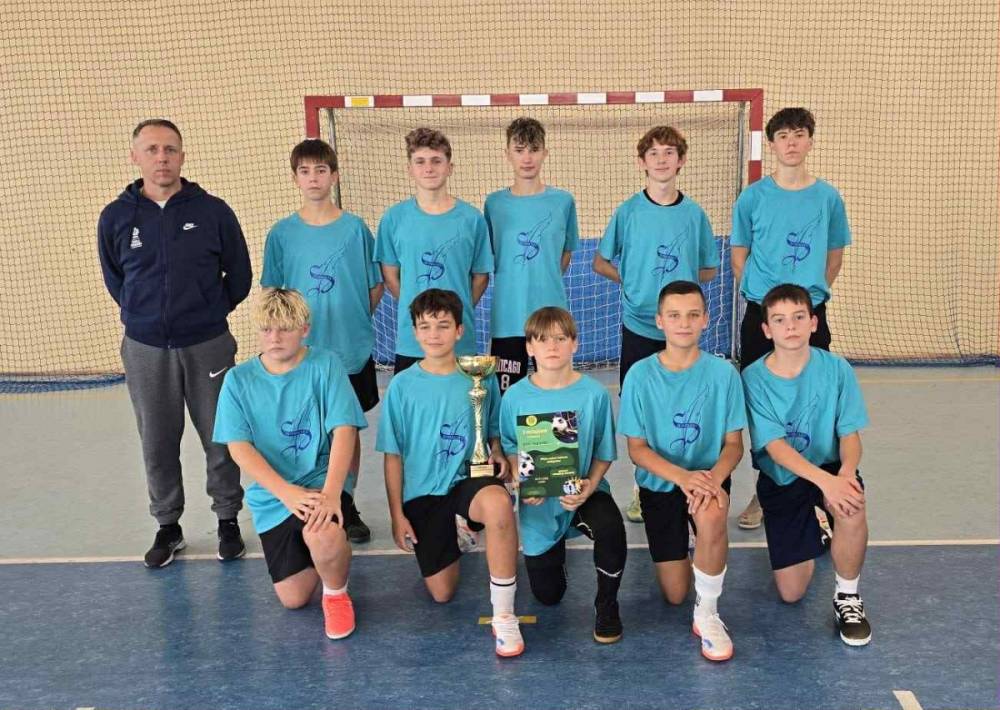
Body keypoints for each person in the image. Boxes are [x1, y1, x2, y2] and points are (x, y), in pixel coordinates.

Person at [97, 119, 251, 568]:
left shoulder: (213, 211)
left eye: (169, 149)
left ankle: (227, 519)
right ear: (135, 156)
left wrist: (206, 312)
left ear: (182, 155)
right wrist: (145, 317)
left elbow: (239, 275)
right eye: (151, 149)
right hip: (145, 348)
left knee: (220, 435)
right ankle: (168, 525)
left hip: (208, 343)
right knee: (157, 440)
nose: (161, 158)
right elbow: (116, 280)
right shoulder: (116, 217)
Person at [375, 288, 524, 657]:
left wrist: (497, 452)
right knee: (442, 593)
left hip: (469, 481)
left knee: (498, 504)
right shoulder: (402, 386)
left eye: (443, 325)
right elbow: (392, 456)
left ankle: (504, 614)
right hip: (424, 494)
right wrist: (396, 515)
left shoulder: (480, 375)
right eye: (425, 326)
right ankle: (460, 531)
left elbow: (493, 432)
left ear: (459, 330)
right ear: (414, 332)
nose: (434, 334)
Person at [213, 289, 366, 639]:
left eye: (284, 328)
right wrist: (286, 493)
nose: (275, 337)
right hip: (276, 496)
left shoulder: (325, 365)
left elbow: (345, 430)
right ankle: (328, 554)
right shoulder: (238, 380)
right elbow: (239, 448)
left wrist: (333, 493)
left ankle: (336, 594)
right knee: (293, 599)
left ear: (304, 330)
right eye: (267, 329)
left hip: (321, 481)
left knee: (323, 534)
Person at [731, 107, 852, 531]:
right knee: (761, 404)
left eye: (799, 134)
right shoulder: (752, 198)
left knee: (815, 401)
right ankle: (767, 489)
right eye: (783, 136)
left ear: (810, 141)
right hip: (762, 316)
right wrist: (770, 308)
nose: (791, 142)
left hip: (808, 313)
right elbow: (739, 256)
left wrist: (805, 303)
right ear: (772, 144)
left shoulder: (828, 198)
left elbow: (834, 256)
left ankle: (818, 491)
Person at [592, 125, 719, 524]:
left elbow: (709, 268)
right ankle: (641, 488)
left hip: (680, 334)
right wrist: (632, 283)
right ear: (641, 162)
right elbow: (600, 261)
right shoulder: (628, 212)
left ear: (681, 160)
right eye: (654, 153)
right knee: (642, 410)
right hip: (639, 326)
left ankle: (687, 479)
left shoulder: (694, 214)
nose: (661, 160)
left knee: (681, 408)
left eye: (669, 153)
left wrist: (682, 297)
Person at [261, 138, 384, 544]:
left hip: (349, 350)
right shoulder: (282, 234)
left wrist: (352, 318)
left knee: (346, 428)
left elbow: (375, 286)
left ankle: (345, 503)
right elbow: (273, 294)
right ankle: (305, 502)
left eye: (320, 170)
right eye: (305, 171)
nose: (313, 178)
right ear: (295, 178)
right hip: (301, 355)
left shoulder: (355, 229)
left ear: (334, 175)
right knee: (305, 429)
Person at [618, 281, 745, 661]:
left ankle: (707, 614)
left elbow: (734, 445)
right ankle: (695, 548)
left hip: (707, 479)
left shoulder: (724, 374)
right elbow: (637, 450)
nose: (684, 323)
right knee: (675, 594)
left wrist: (712, 480)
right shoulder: (640, 375)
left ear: (706, 319)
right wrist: (682, 478)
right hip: (662, 484)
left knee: (713, 512)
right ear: (660, 321)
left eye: (693, 315)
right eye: (674, 315)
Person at [741, 284, 872, 646]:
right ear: (767, 330)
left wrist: (845, 476)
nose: (791, 326)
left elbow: (850, 435)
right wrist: (825, 484)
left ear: (813, 323)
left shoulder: (837, 369)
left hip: (830, 467)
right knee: (791, 593)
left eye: (799, 317)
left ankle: (848, 596)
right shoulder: (753, 378)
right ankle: (816, 526)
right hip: (783, 477)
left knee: (851, 503)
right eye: (780, 320)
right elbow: (775, 448)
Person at [499, 307, 624, 643]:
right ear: (529, 347)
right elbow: (510, 447)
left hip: (584, 491)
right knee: (548, 596)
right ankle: (555, 556)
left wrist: (590, 485)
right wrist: (524, 480)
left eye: (560, 338)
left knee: (611, 527)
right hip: (539, 503)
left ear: (575, 343)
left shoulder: (594, 394)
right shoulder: (514, 397)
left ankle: (607, 605)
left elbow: (604, 452)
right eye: (542, 339)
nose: (551, 346)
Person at [374, 128, 493, 374]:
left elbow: (481, 277)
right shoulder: (394, 219)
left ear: (450, 167)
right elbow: (390, 276)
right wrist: (419, 312)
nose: (428, 168)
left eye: (436, 161)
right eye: (420, 162)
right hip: (412, 342)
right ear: (410, 169)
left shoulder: (472, 219)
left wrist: (454, 312)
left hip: (459, 340)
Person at [485, 117, 580, 394]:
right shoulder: (494, 204)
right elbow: (490, 256)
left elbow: (565, 254)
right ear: (507, 154)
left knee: (555, 397)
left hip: (552, 316)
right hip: (507, 318)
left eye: (534, 149)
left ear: (545, 153)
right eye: (519, 150)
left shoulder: (563, 202)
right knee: (506, 399)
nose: (527, 158)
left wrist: (544, 280)